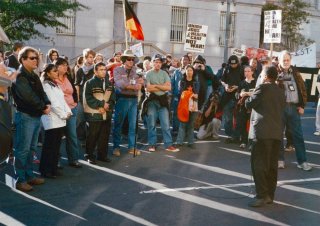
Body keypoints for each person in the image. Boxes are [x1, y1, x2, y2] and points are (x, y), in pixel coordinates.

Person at [12, 46, 51, 192]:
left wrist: (47, 103)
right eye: (32, 58)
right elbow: (28, 96)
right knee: (23, 149)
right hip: (25, 116)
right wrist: (43, 106)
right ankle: (20, 180)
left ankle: (29, 176)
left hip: (35, 116)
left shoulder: (34, 75)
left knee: (31, 149)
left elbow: (41, 93)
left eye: (37, 57)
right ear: (22, 59)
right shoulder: (20, 75)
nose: (36, 60)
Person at [245, 66, 285, 208]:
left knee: (259, 164)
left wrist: (246, 96)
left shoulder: (262, 88)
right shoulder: (281, 91)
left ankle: (261, 195)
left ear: (266, 77)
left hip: (261, 133)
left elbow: (249, 104)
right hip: (276, 133)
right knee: (271, 165)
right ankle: (269, 195)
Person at [277, 51, 312, 171]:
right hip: (280, 108)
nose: (286, 62)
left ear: (290, 60)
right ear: (279, 60)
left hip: (294, 108)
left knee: (298, 135)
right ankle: (279, 160)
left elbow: (303, 89)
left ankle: (302, 161)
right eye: (284, 60)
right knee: (278, 135)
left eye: (288, 60)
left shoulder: (296, 73)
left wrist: (302, 105)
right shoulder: (275, 72)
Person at [39, 64, 71, 178]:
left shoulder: (55, 84)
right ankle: (46, 170)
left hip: (59, 119)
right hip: (52, 119)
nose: (57, 73)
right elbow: (53, 102)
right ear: (47, 73)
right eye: (54, 71)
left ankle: (53, 168)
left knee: (56, 145)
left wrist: (68, 112)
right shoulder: (46, 85)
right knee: (49, 146)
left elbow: (62, 100)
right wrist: (63, 114)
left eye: (57, 71)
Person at [112, 50, 144, 156]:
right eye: (129, 59)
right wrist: (135, 86)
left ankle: (132, 147)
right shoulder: (117, 70)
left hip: (134, 100)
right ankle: (116, 147)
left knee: (133, 125)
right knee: (118, 124)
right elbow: (121, 84)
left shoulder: (138, 71)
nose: (131, 61)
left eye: (133, 59)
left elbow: (144, 82)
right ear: (124, 60)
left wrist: (140, 83)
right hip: (122, 99)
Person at [146, 54, 179, 152]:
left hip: (163, 100)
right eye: (156, 62)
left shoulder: (164, 73)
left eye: (159, 62)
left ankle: (168, 145)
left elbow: (168, 88)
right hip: (152, 100)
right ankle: (152, 144)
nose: (158, 64)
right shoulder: (148, 73)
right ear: (152, 63)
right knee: (151, 124)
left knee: (165, 124)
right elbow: (148, 88)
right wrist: (161, 86)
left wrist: (155, 86)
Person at [83, 62, 115, 164]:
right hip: (94, 114)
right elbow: (88, 98)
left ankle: (102, 155)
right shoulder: (89, 83)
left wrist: (108, 106)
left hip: (106, 114)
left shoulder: (109, 83)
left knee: (104, 136)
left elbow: (113, 98)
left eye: (105, 69)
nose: (103, 71)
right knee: (92, 136)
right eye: (101, 69)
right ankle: (89, 155)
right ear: (95, 71)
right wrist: (101, 105)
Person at [54, 57, 82, 168]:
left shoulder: (68, 77)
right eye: (63, 65)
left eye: (66, 65)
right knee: (57, 137)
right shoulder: (52, 78)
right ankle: (56, 160)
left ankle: (73, 159)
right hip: (59, 112)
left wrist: (76, 102)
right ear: (56, 66)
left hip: (72, 109)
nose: (66, 67)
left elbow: (74, 91)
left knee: (72, 135)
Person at [75, 48, 96, 143]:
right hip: (81, 99)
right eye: (90, 57)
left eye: (92, 57)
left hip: (93, 98)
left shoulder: (96, 69)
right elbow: (77, 85)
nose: (91, 59)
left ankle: (90, 140)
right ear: (85, 58)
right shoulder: (80, 70)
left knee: (92, 121)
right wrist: (78, 98)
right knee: (80, 120)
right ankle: (81, 139)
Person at [175, 65, 199, 148]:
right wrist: (192, 94)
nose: (189, 72)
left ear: (193, 72)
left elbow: (198, 94)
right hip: (184, 104)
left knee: (191, 124)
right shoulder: (182, 81)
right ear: (185, 71)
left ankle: (191, 142)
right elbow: (181, 93)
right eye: (187, 70)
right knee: (182, 123)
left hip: (194, 105)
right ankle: (179, 142)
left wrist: (192, 95)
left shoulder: (196, 82)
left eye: (191, 70)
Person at [221, 55, 242, 143]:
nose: (233, 66)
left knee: (237, 118)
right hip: (227, 96)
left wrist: (237, 87)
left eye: (235, 64)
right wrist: (225, 86)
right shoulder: (226, 69)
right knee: (227, 119)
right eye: (231, 64)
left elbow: (245, 81)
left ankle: (236, 136)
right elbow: (222, 80)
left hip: (237, 96)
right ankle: (231, 135)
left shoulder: (241, 69)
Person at [236, 66, 256, 148]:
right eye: (245, 71)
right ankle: (244, 141)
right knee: (242, 123)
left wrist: (247, 93)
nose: (247, 73)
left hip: (253, 107)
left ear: (252, 72)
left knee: (252, 125)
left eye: (248, 71)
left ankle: (252, 143)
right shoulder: (241, 83)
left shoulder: (256, 82)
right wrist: (240, 94)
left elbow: (256, 94)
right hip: (243, 106)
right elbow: (237, 94)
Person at [171, 55, 190, 134]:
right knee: (175, 113)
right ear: (180, 61)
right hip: (176, 96)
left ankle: (184, 131)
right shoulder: (176, 72)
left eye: (186, 59)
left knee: (185, 114)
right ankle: (175, 130)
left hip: (187, 97)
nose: (184, 61)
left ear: (189, 61)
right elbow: (172, 83)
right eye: (183, 59)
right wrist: (171, 93)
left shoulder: (190, 71)